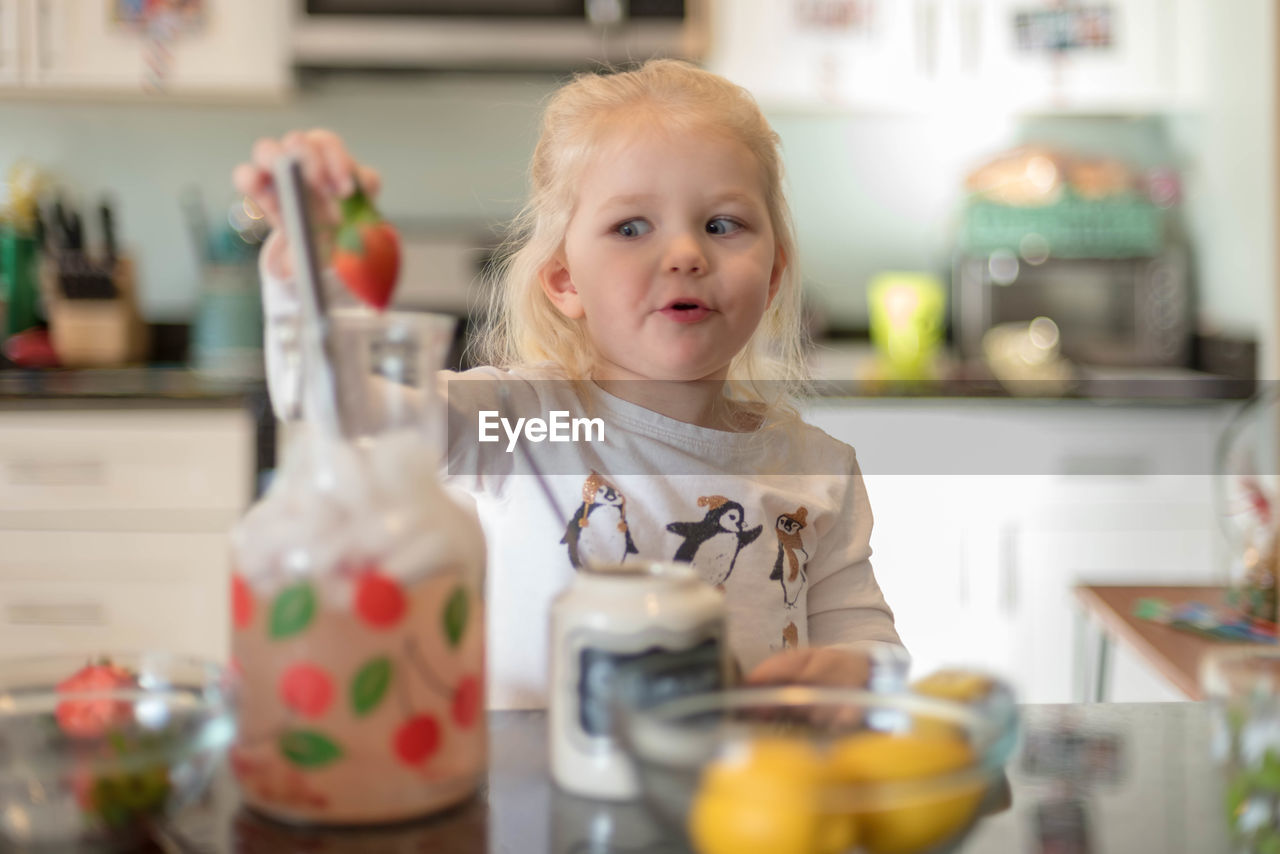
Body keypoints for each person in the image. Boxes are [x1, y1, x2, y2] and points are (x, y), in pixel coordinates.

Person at [234, 59, 905, 709]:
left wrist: (856, 673)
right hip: (543, 806)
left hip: (744, 807)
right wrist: (306, 274)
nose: (685, 254)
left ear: (775, 272)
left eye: (721, 224)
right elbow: (329, 401)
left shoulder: (820, 470)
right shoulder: (523, 422)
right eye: (631, 227)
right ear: (564, 281)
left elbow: (872, 647)